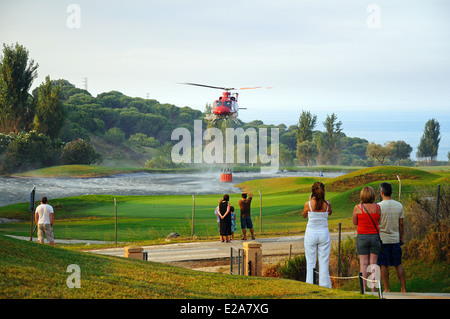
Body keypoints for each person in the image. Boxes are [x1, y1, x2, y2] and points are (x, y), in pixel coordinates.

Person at [377, 182, 406, 293]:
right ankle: (403, 288)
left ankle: (387, 289)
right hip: (395, 239)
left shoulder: (378, 206)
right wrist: (401, 237)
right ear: (391, 192)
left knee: (383, 265)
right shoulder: (399, 205)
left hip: (383, 240)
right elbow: (401, 224)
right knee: (398, 264)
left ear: (381, 192)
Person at [302, 182, 332, 288]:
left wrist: (310, 200)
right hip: (324, 233)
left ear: (312, 192)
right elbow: (330, 213)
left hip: (311, 234)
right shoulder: (327, 204)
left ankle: (310, 284)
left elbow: (304, 215)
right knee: (324, 261)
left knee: (310, 261)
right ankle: (325, 285)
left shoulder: (308, 204)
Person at [353, 186, 381, 292]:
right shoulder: (377, 207)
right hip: (374, 236)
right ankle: (373, 289)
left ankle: (363, 288)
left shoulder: (357, 208)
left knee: (363, 264)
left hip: (362, 237)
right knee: (373, 263)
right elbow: (379, 220)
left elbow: (355, 222)